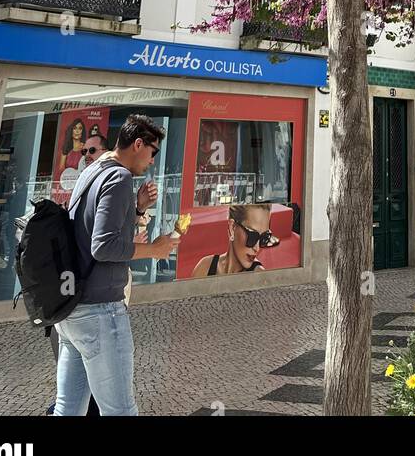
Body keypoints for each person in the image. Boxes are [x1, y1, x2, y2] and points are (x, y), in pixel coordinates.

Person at [53, 114, 181, 416]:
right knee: (120, 410)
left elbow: (90, 231)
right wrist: (154, 249)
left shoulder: (94, 170)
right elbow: (103, 246)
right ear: (138, 144)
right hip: (100, 311)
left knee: (68, 409)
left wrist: (136, 209)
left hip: (72, 309)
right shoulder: (120, 177)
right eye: (153, 153)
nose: (152, 161)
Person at [191, 202, 280, 277]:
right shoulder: (205, 266)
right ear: (232, 228)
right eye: (252, 236)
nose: (257, 248)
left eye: (264, 238)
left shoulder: (259, 277)